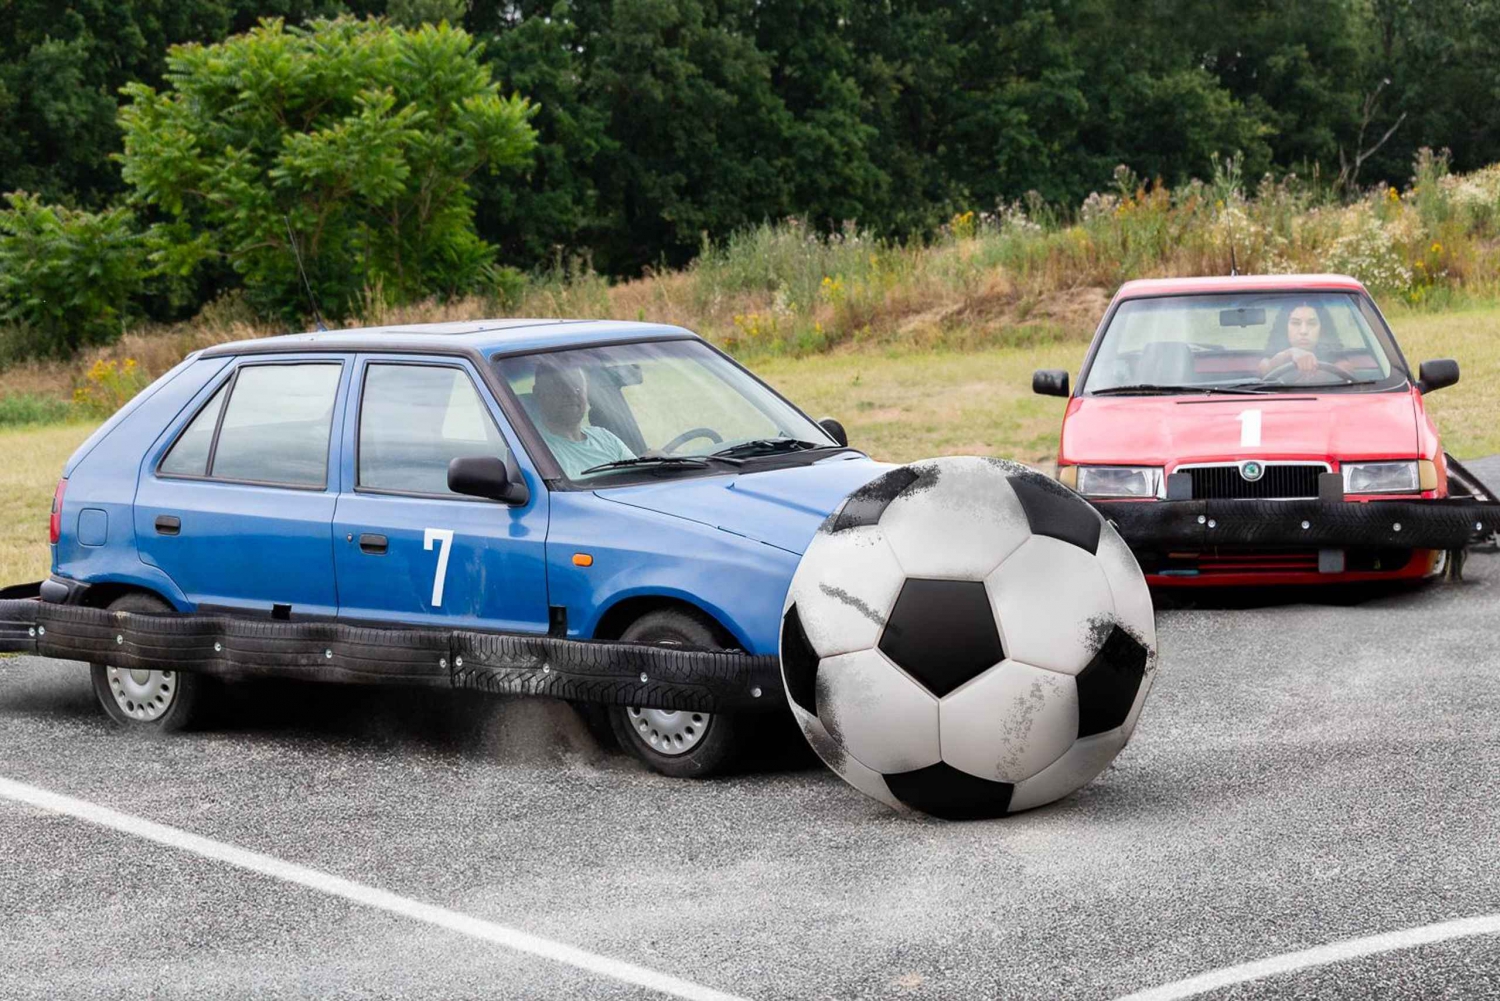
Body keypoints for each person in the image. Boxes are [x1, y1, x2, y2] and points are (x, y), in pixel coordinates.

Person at [531, 360, 635, 476]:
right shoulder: (534, 448)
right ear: (538, 393)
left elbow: (636, 476)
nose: (571, 393)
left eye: (577, 387)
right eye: (560, 387)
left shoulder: (605, 437)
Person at [1258, 300, 1347, 379]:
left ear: (1323, 328)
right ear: (1284, 327)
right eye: (1296, 323)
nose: (1303, 331)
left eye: (1311, 323)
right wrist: (1288, 354)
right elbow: (1264, 368)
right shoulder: (1275, 352)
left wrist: (1318, 377)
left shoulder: (1334, 354)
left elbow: (1346, 368)